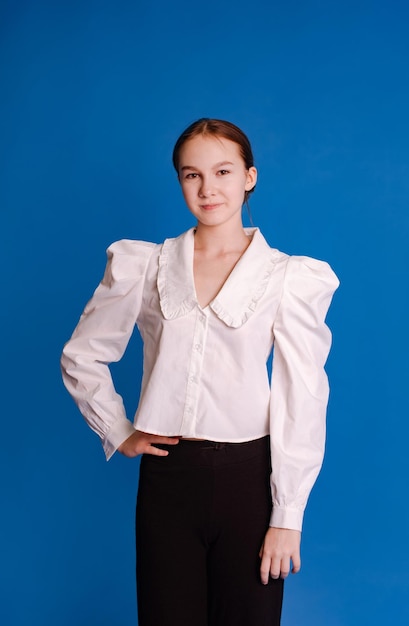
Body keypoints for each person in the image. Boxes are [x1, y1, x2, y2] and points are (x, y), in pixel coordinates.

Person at [61, 118, 339, 626]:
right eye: (192, 175)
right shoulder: (146, 266)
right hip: (168, 480)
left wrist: (287, 515)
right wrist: (118, 430)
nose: (208, 188)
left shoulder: (286, 277)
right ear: (180, 182)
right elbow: (82, 355)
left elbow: (303, 396)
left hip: (250, 481)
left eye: (223, 171)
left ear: (249, 177)